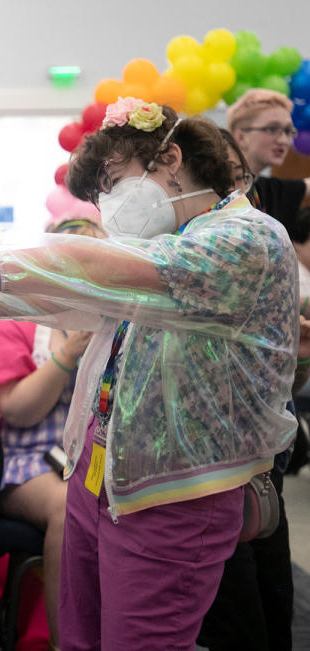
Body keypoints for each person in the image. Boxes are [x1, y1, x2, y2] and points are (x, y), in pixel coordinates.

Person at [0, 99, 298, 649]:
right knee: (78, 638)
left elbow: (77, 265)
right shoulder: (164, 243)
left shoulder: (248, 240)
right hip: (99, 476)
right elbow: (47, 297)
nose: (108, 205)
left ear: (170, 158)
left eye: (114, 182)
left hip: (174, 497)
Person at [0, 217, 103, 649]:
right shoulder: (21, 323)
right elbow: (17, 411)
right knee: (70, 508)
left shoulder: (113, 324)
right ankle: (66, 642)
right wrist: (64, 355)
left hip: (91, 459)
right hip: (24, 463)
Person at [195, 132, 300, 651]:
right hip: (210, 471)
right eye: (226, 181)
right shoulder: (191, 249)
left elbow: (281, 381)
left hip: (258, 460)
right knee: (236, 614)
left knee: (271, 603)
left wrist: (294, 356)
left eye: (240, 181)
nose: (235, 193)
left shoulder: (257, 230)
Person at [227, 89, 309, 231]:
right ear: (241, 137)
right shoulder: (215, 189)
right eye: (272, 129)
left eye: (288, 131)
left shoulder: (267, 189)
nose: (283, 140)